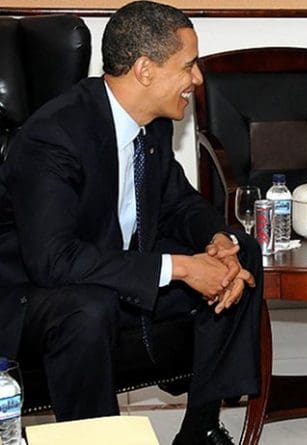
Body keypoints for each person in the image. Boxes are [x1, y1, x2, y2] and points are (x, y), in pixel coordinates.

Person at [0, 2, 262, 444]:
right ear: (145, 69)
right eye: (188, 66)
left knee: (242, 251)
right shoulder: (53, 137)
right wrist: (181, 268)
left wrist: (217, 241)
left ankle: (200, 427)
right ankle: (97, 439)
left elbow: (178, 203)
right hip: (30, 295)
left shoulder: (152, 123)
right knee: (88, 307)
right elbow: (52, 261)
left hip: (111, 270)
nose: (197, 80)